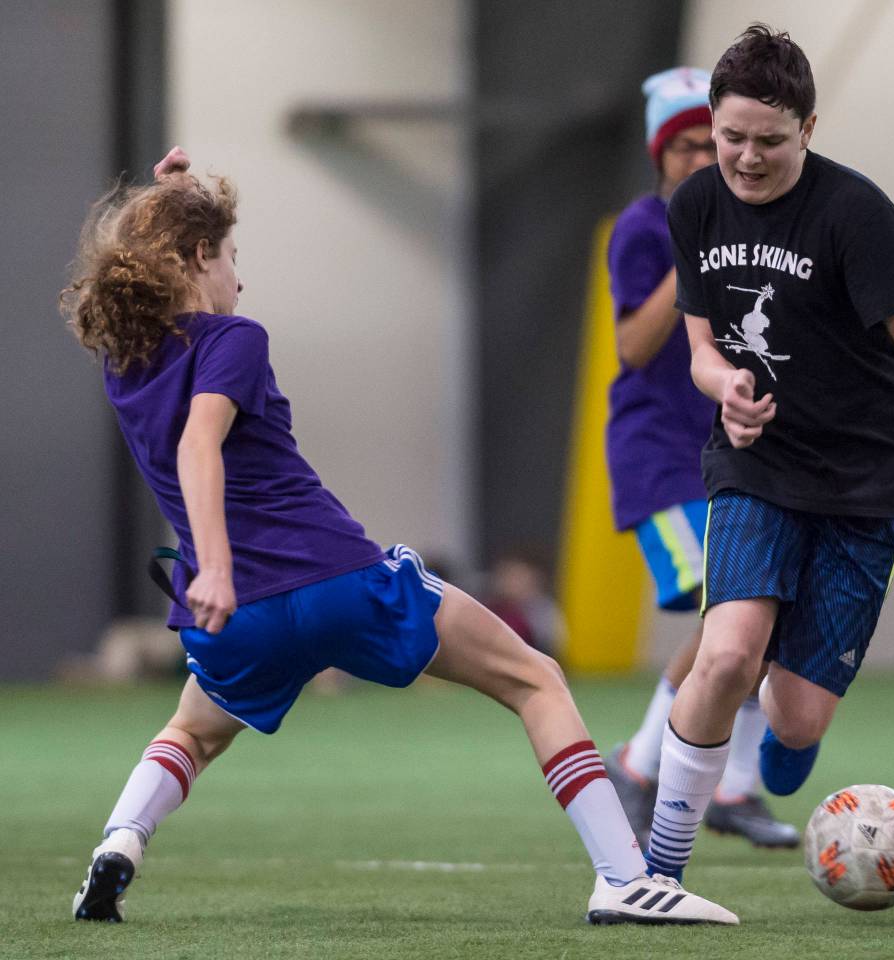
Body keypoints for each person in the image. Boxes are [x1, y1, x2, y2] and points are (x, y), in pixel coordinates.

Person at [61, 148, 737, 926]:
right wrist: (213, 563)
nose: (239, 281)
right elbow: (198, 444)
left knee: (192, 729)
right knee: (534, 678)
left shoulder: (126, 364)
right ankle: (624, 878)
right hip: (334, 580)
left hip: (236, 620)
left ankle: (120, 842)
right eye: (231, 257)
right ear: (196, 257)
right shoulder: (235, 339)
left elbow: (178, 318)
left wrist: (175, 196)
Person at [644, 24, 894, 903]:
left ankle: (790, 730)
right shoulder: (695, 206)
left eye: (770, 141)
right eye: (731, 137)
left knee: (794, 720)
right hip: (757, 465)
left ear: (808, 129)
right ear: (712, 124)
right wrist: (726, 388)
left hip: (864, 482)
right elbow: (701, 348)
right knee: (724, 656)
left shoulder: (856, 214)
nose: (747, 158)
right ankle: (656, 870)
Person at [603, 67, 798, 850]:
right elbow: (632, 344)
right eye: (681, 146)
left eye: (704, 143)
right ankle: (639, 764)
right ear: (660, 154)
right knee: (733, 605)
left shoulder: (752, 226)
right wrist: (696, 253)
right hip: (662, 457)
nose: (697, 158)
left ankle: (734, 787)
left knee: (764, 611)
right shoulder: (644, 229)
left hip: (737, 452)